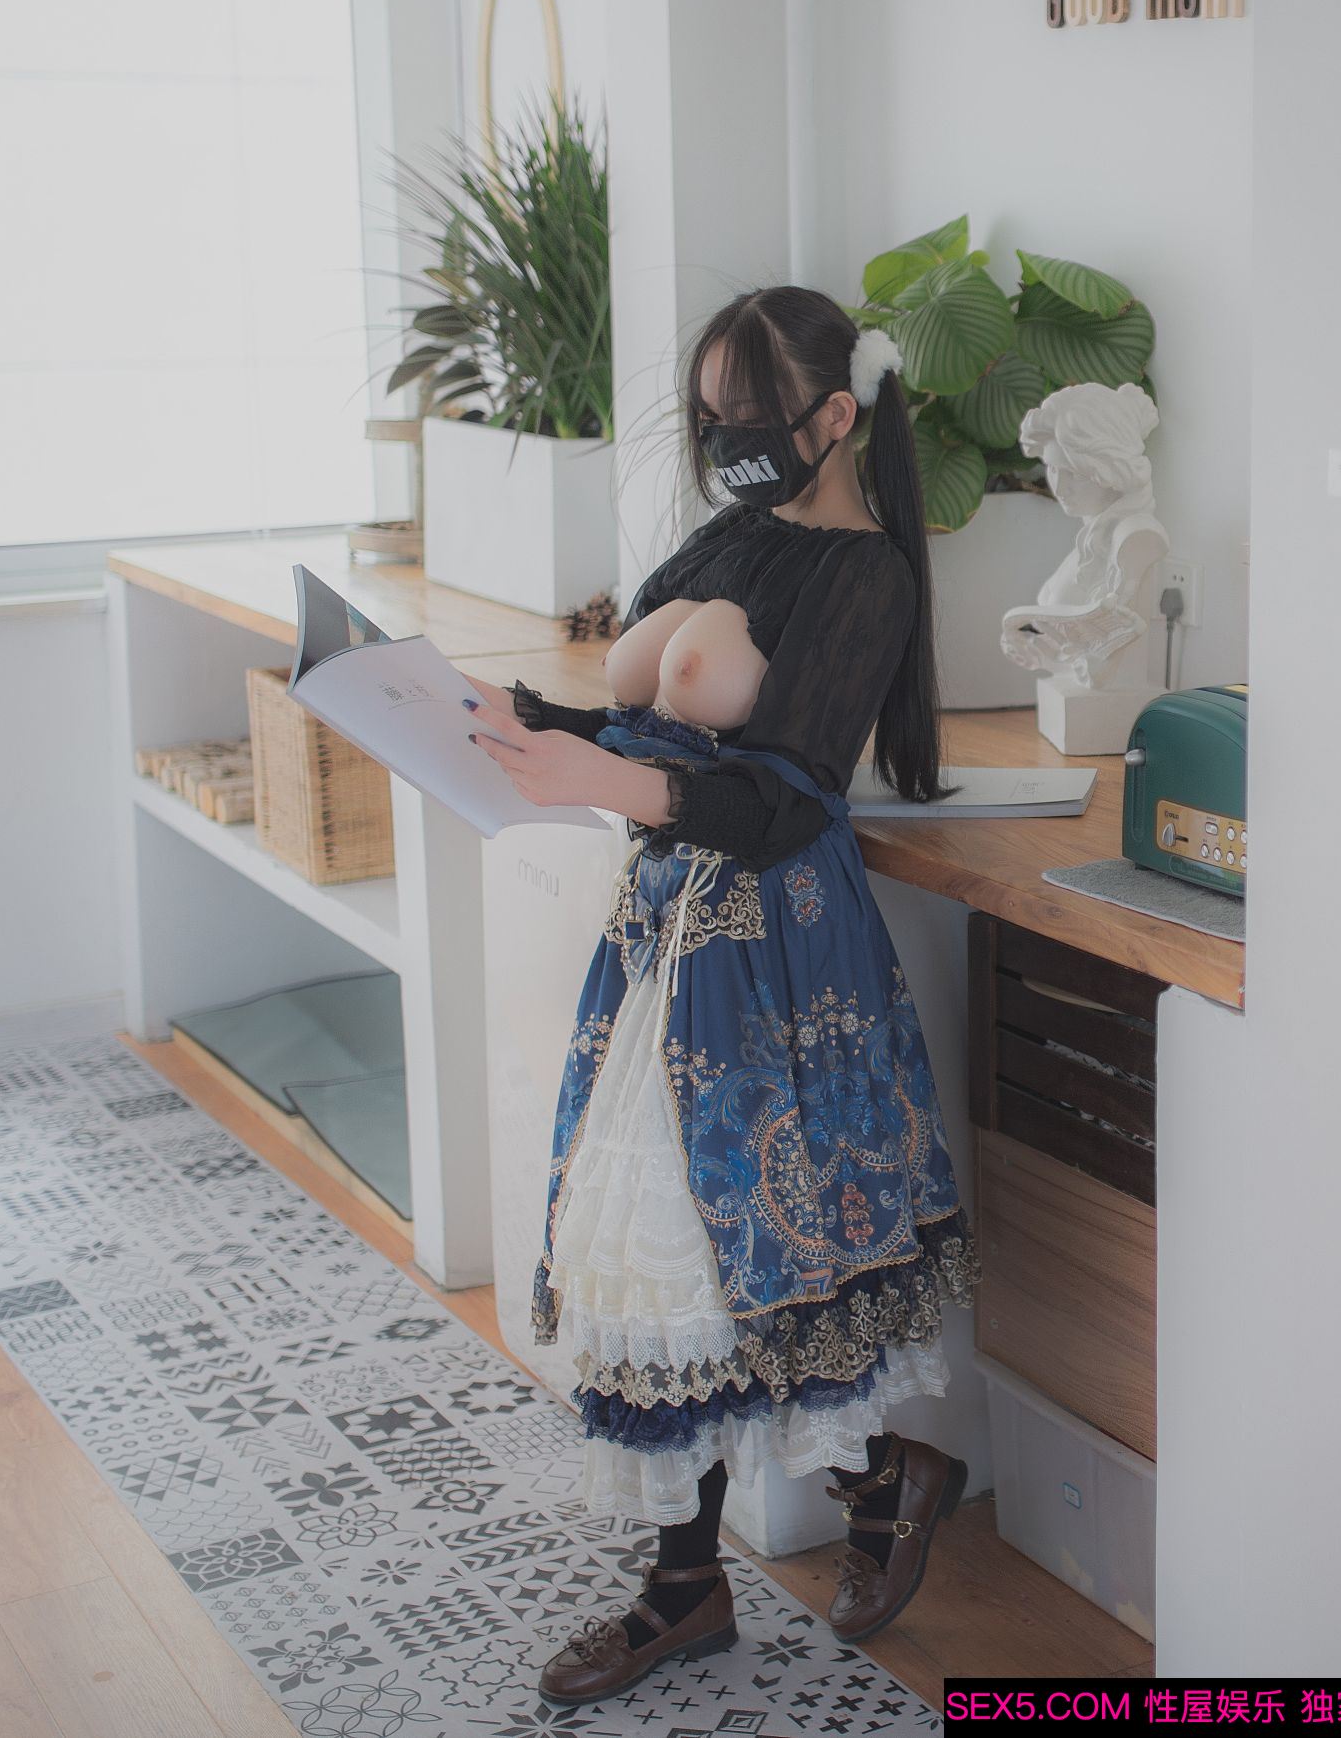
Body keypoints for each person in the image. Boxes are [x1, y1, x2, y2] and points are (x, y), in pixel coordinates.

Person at [462, 286, 976, 1707]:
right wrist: (524, 724)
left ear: (834, 415)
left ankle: (794, 1528)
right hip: (668, 927)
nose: (723, 440)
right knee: (668, 1251)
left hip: (771, 943)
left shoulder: (867, 577)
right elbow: (644, 721)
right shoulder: (730, 536)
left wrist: (604, 779)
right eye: (708, 415)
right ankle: (730, 1562)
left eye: (749, 416)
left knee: (716, 1248)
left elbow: (783, 801)